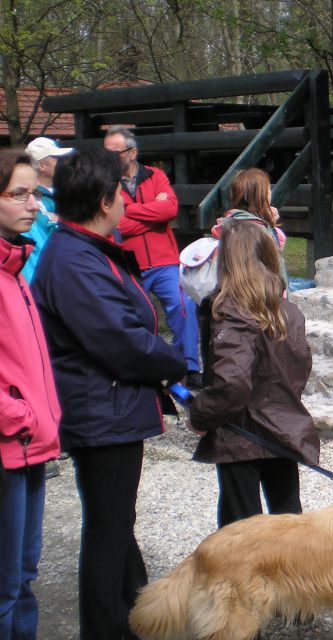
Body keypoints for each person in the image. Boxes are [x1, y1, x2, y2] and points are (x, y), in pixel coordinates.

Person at [31, 146, 186, 639]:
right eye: (121, 190)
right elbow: (121, 341)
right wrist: (177, 361)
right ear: (103, 200)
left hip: (109, 404)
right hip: (101, 410)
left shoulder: (85, 249)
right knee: (107, 528)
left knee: (116, 521)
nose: (126, 198)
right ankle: (106, 628)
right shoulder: (75, 259)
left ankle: (138, 614)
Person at [188, 220, 322, 528]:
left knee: (243, 531)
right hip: (279, 425)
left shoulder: (232, 311)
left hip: (243, 431)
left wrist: (201, 414)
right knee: (286, 520)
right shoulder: (287, 311)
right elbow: (299, 368)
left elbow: (232, 382)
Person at [0, 149, 61, 640]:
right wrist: (18, 415)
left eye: (34, 193)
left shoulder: (15, 270)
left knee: (23, 577)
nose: (33, 205)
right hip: (7, 444)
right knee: (4, 586)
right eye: (18, 194)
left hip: (29, 444)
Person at [103, 126, 201, 389]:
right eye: (107, 152)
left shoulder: (155, 175)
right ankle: (145, 370)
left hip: (165, 261)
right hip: (128, 264)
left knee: (184, 306)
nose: (109, 158)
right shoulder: (104, 182)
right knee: (136, 317)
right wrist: (153, 216)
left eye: (115, 152)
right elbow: (116, 226)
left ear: (132, 152)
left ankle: (188, 367)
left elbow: (170, 209)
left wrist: (131, 211)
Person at [210, 167, 288, 285]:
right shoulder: (255, 231)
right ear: (261, 195)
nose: (270, 192)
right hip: (263, 294)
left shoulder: (230, 224)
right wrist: (271, 228)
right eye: (268, 189)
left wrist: (270, 223)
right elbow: (273, 260)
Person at [21, 137, 73, 284]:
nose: (63, 162)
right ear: (41, 165)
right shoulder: (32, 202)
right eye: (56, 158)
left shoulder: (66, 192)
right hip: (44, 280)